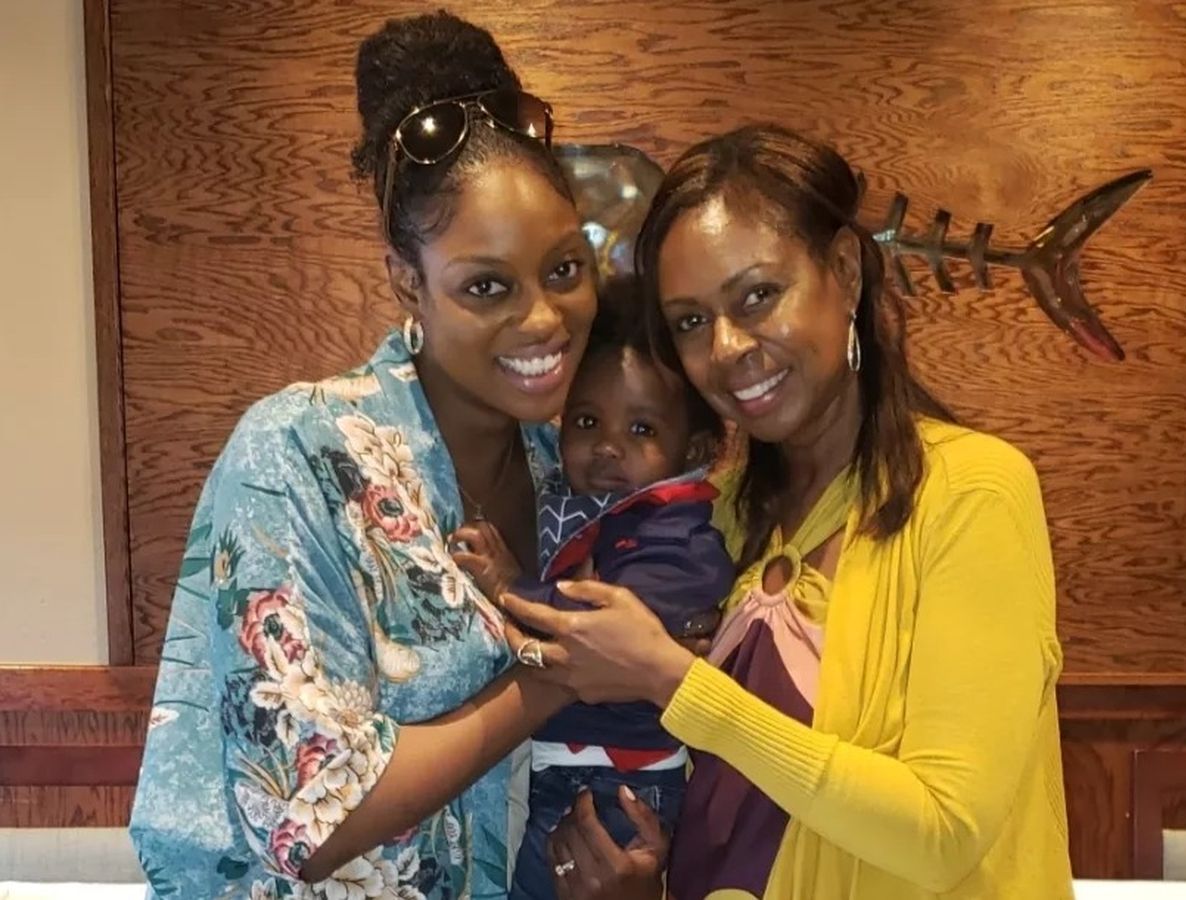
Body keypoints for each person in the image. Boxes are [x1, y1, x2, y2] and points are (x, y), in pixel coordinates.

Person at [499, 124, 1075, 900]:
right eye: (691, 322)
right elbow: (732, 819)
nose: (726, 348)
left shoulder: (970, 493)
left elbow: (943, 832)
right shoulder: (717, 522)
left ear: (844, 272)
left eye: (758, 296)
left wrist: (674, 680)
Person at [129, 13, 599, 899]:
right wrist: (557, 678)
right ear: (406, 280)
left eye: (565, 270)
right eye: (487, 286)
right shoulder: (297, 454)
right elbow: (310, 817)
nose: (543, 318)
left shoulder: (573, 463)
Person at [451, 276, 734, 900]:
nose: (607, 446)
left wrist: (509, 586)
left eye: (642, 430)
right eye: (586, 421)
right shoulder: (582, 502)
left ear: (692, 448)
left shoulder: (679, 534)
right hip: (570, 764)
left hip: (621, 784)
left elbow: (601, 626)